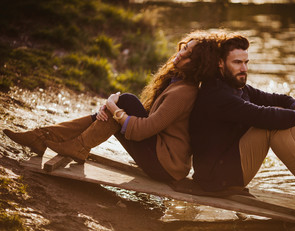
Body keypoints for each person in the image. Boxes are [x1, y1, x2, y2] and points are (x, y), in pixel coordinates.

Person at [3, 31, 222, 183]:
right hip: (161, 157)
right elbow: (144, 122)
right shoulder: (176, 82)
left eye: (189, 54)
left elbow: (145, 130)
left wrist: (114, 108)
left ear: (198, 64)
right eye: (185, 47)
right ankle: (45, 138)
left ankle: (63, 142)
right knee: (122, 105)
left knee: (125, 101)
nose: (181, 52)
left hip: (167, 167)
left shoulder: (185, 92)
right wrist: (109, 111)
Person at [189, 33, 295, 208]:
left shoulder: (235, 86)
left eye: (246, 62)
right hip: (215, 179)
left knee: (281, 116)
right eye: (237, 62)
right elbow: (261, 115)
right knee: (272, 126)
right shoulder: (217, 94)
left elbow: (276, 99)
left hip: (227, 166)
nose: (243, 68)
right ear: (220, 63)